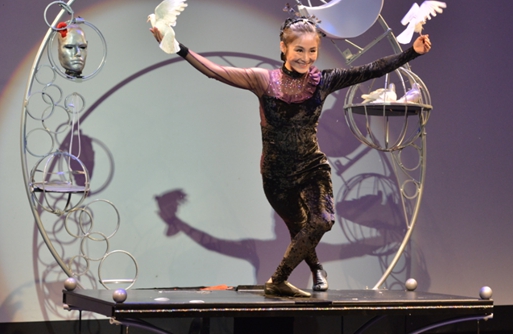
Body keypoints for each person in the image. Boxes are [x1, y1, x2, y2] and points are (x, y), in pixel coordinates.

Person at [150, 16, 431, 298]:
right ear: (283, 48)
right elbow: (215, 71)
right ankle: (317, 268)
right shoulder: (263, 80)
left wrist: (412, 53)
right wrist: (177, 47)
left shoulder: (323, 81)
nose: (305, 58)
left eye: (312, 51)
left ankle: (278, 279)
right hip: (276, 176)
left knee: (323, 220)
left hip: (312, 166)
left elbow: (370, 69)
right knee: (300, 229)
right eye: (299, 50)